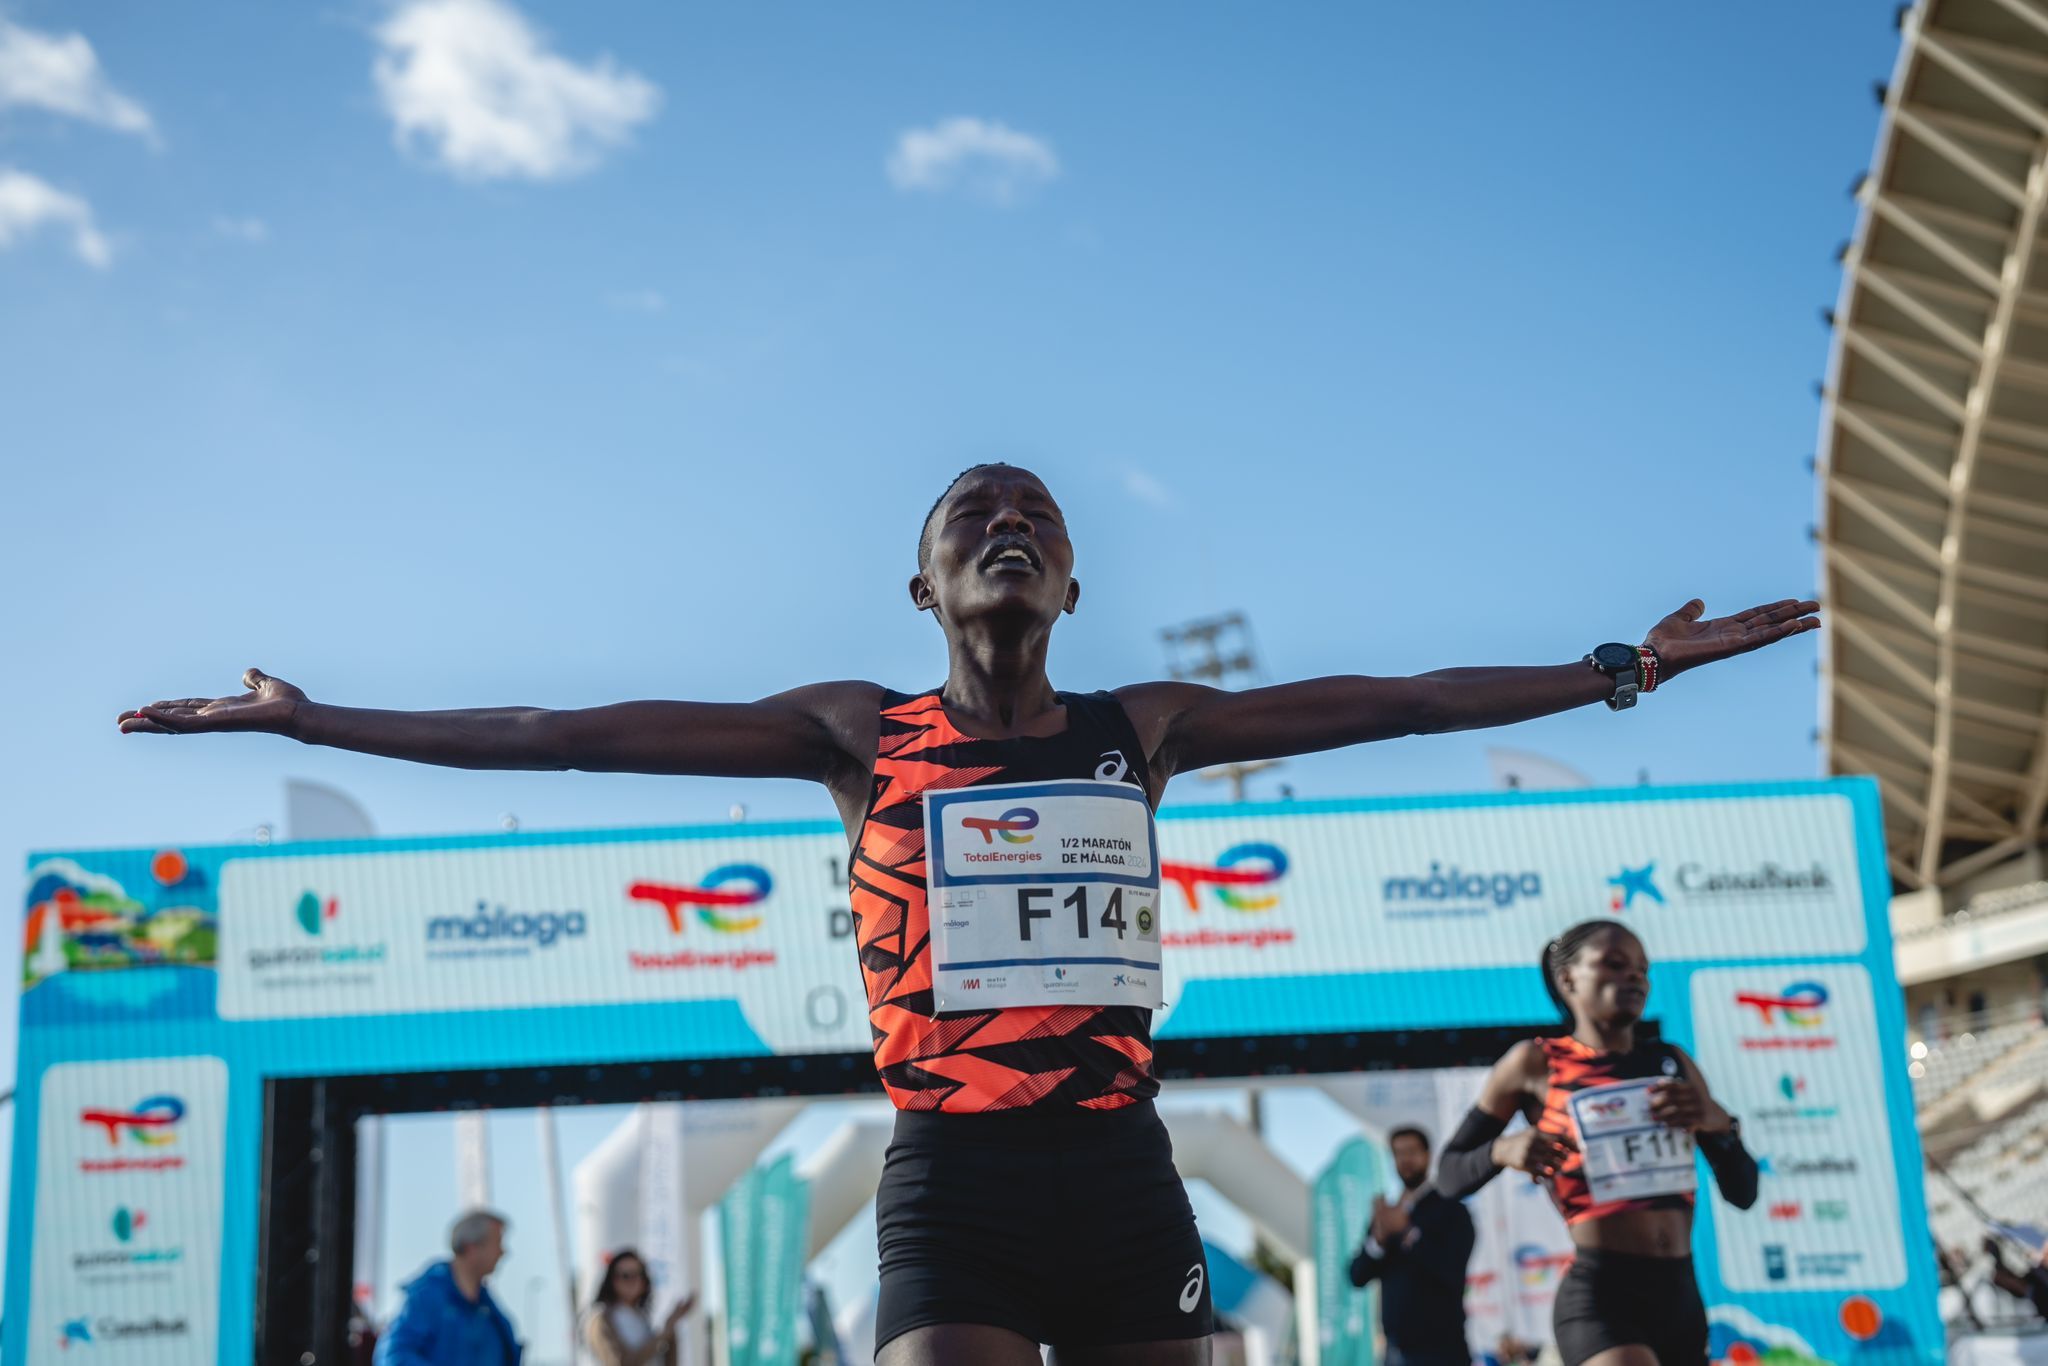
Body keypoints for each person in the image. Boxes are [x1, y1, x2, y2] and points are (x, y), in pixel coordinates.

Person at [122, 464, 1816, 1366]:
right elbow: (555, 732)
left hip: (1119, 1162)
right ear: (922, 587)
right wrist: (318, 718)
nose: (1004, 529)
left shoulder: (1137, 726)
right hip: (949, 1171)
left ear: (1070, 588)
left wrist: (1620, 670)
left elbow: (1391, 701)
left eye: (1035, 521)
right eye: (969, 519)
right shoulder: (854, 733)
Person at [1435, 921, 1758, 1366]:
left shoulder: (1671, 1062)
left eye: (1643, 970)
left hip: (1681, 1297)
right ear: (1567, 979)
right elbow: (1449, 1176)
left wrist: (1717, 1122)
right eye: (1615, 964)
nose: (1635, 978)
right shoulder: (1535, 1062)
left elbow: (1744, 1193)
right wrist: (1502, 1150)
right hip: (1602, 1296)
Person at [1347, 1126, 1474, 1366]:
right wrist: (1379, 1241)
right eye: (1398, 1153)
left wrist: (1408, 1232)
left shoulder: (1450, 1209)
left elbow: (1452, 1269)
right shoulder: (1387, 1214)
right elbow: (1357, 1275)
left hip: (1442, 1350)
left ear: (1427, 1155)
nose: (1405, 1160)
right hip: (1395, 1352)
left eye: (1412, 1152)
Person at [374, 1209, 521, 1366]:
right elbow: (393, 1358)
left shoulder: (489, 1311)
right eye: (497, 1243)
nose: (502, 1252)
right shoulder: (426, 1299)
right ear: (471, 1247)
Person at [585, 1248, 697, 1366]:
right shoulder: (600, 1320)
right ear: (613, 1280)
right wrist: (665, 1332)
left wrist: (672, 1328)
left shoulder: (641, 1319)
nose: (633, 1280)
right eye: (626, 1276)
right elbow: (621, 1363)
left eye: (639, 1274)